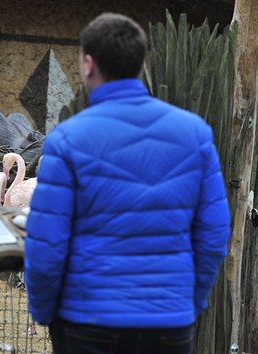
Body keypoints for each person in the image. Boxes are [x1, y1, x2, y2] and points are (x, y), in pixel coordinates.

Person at [24, 12, 231, 354]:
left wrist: (46, 313)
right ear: (139, 64)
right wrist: (187, 303)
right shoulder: (195, 133)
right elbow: (213, 234)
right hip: (169, 322)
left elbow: (47, 245)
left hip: (87, 322)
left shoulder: (67, 140)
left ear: (88, 64)